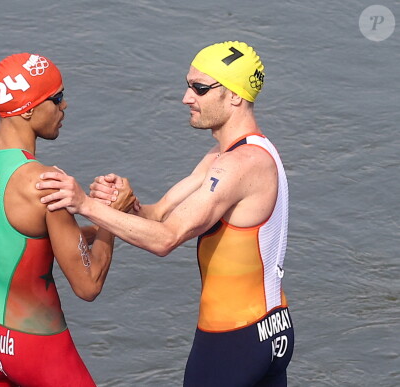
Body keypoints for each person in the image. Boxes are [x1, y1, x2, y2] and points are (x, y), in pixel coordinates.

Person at [37, 41, 294, 386]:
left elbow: (166, 239)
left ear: (234, 95)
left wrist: (85, 205)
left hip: (233, 338)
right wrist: (125, 203)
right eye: (188, 85)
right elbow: (158, 217)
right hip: (273, 330)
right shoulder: (234, 157)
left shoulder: (238, 166)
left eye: (200, 88)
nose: (187, 98)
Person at [0, 53, 135, 387]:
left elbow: (3, 233)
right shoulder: (46, 184)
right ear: (29, 109)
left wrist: (83, 230)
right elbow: (87, 285)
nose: (65, 107)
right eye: (57, 99)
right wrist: (109, 220)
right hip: (36, 348)